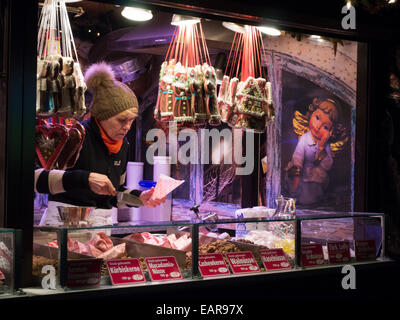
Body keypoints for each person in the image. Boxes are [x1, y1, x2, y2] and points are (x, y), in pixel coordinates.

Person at [36, 62, 165, 226]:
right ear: (102, 115)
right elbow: (35, 179)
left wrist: (139, 197)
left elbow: (113, 195)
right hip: (63, 223)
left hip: (100, 229)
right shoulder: (76, 136)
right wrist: (85, 179)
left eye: (131, 121)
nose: (127, 127)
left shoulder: (122, 145)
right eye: (121, 120)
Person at [284, 98, 340, 205]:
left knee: (315, 189)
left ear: (331, 131)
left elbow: (327, 166)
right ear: (311, 114)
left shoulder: (325, 145)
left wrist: (322, 147)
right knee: (296, 178)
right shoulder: (305, 138)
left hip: (315, 175)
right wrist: (298, 168)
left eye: (325, 126)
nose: (318, 127)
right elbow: (298, 155)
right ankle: (294, 192)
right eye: (317, 118)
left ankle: (314, 199)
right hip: (301, 171)